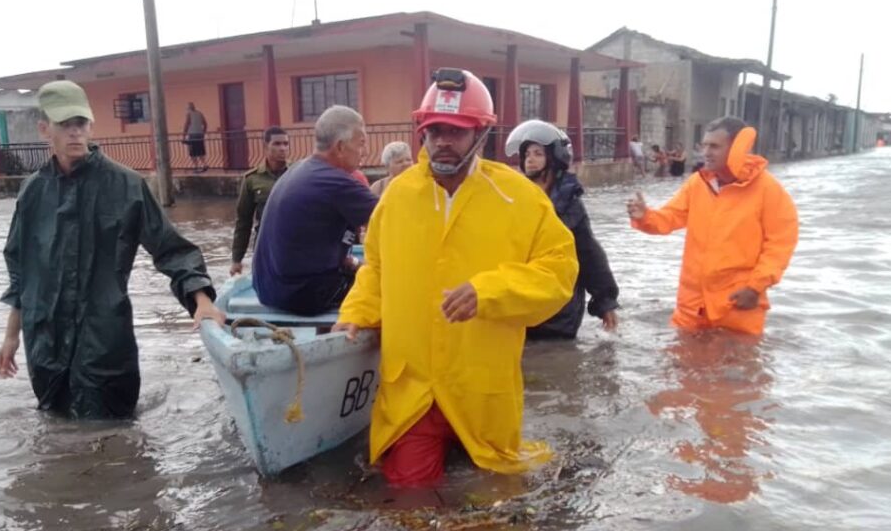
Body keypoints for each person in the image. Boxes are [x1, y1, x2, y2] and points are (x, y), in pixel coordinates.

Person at [332, 68, 577, 486]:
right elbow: (375, 267)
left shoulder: (519, 197)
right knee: (408, 498)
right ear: (423, 132)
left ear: (481, 134)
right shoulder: (397, 196)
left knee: (499, 502)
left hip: (481, 389)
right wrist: (354, 313)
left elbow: (558, 274)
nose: (443, 140)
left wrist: (489, 291)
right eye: (435, 129)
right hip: (414, 392)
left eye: (456, 131)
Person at [0, 80, 225, 419]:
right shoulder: (32, 193)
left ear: (90, 126)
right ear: (45, 130)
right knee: (56, 441)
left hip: (103, 344)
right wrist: (11, 337)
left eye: (80, 124)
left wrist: (202, 302)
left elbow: (171, 249)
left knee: (117, 437)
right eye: (65, 125)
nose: (75, 133)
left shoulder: (125, 185)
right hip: (47, 346)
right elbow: (22, 273)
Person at [626, 116, 798, 336]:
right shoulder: (698, 184)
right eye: (704, 145)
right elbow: (669, 218)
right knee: (679, 367)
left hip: (738, 304)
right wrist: (645, 216)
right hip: (691, 306)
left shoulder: (768, 190)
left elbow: (780, 245)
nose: (706, 152)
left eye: (714, 146)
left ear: (737, 148)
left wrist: (756, 287)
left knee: (739, 367)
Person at [251, 105, 378, 315]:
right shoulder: (337, 182)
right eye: (361, 143)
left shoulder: (298, 169)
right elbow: (396, 223)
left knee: (355, 270)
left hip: (267, 288)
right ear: (340, 147)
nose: (364, 151)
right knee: (389, 284)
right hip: (302, 295)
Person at [506, 119, 620, 337]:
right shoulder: (515, 198)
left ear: (554, 157)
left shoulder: (569, 204)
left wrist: (605, 302)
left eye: (538, 153)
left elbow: (589, 253)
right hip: (523, 303)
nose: (530, 159)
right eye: (527, 154)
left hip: (560, 313)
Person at [230, 126, 290, 275]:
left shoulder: (298, 173)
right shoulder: (252, 179)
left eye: (285, 144)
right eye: (277, 144)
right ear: (265, 146)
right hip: (265, 245)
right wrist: (237, 259)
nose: (282, 148)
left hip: (293, 245)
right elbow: (243, 221)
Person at [183, 102, 208, 172]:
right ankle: (204, 164)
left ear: (188, 108)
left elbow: (186, 125)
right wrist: (203, 132)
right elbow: (205, 124)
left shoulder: (189, 114)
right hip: (200, 135)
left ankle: (196, 166)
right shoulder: (200, 113)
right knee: (200, 151)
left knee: (192, 152)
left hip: (192, 135)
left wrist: (183, 136)